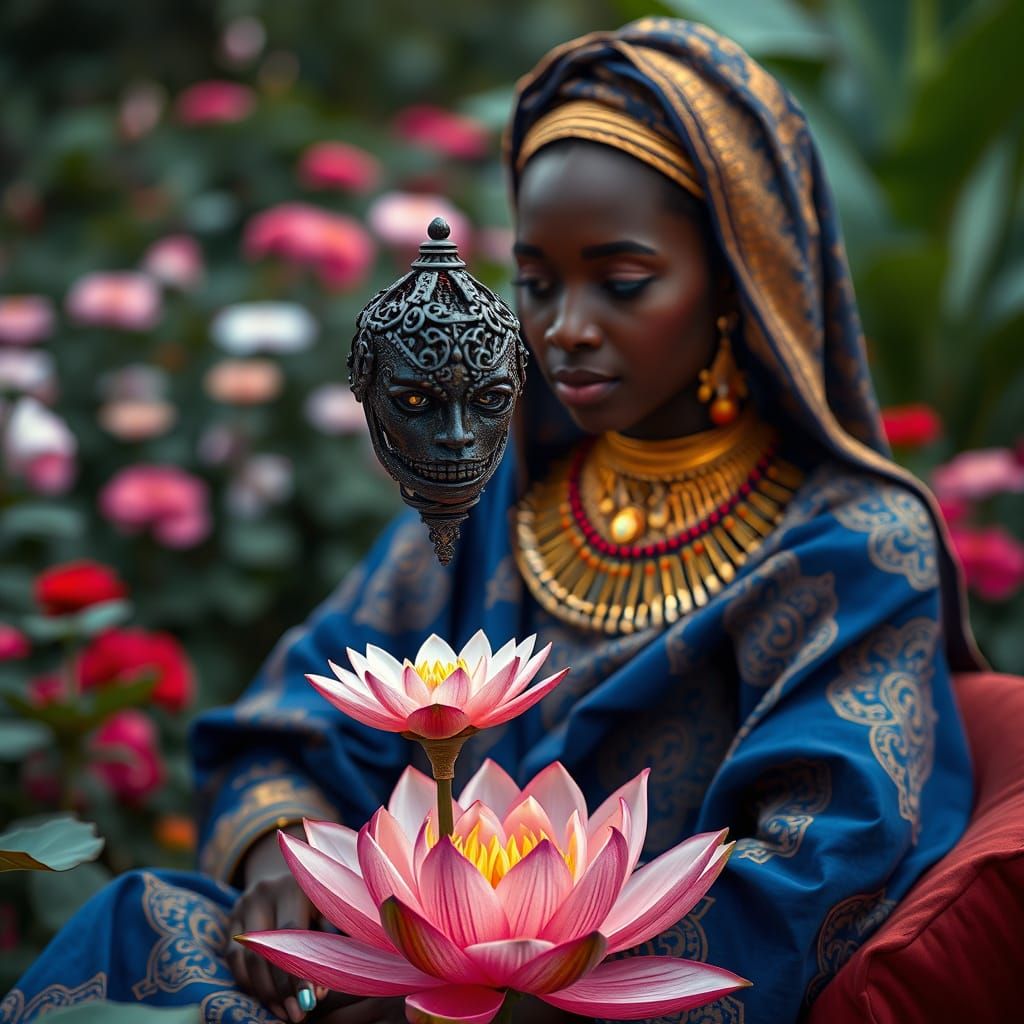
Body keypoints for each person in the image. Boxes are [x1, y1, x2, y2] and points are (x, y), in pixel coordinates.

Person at [2, 17, 983, 1024]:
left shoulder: (848, 547)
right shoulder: (499, 495)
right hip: (357, 971)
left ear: (739, 283)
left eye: (623, 281)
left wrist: (466, 1005)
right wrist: (280, 858)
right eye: (537, 281)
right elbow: (293, 719)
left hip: (596, 1010)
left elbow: (810, 877)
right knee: (135, 924)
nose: (564, 328)